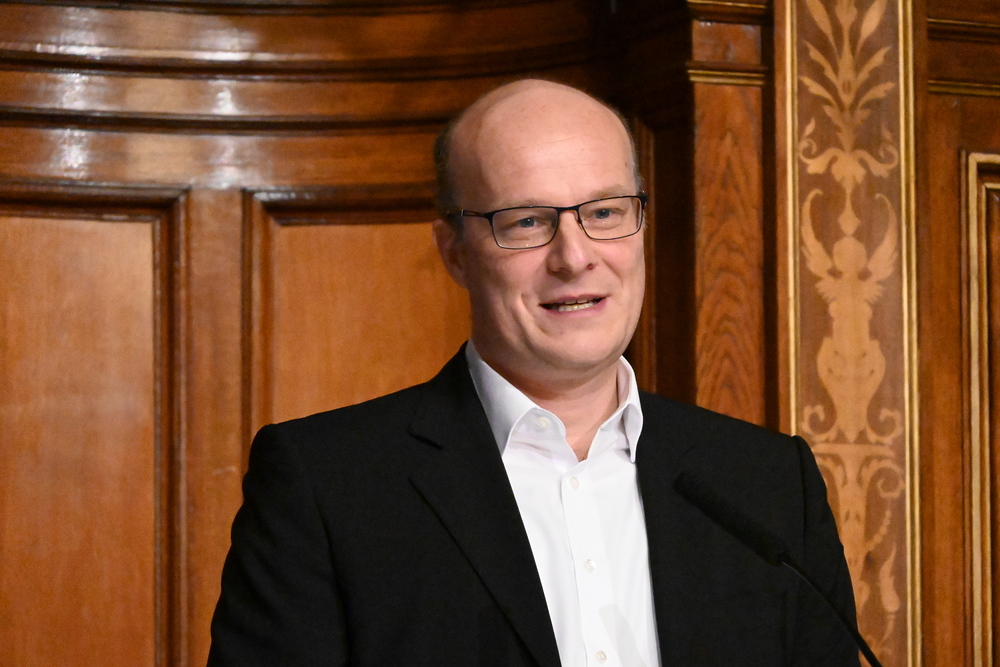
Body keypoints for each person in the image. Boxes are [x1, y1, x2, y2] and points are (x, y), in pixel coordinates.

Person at [208, 79, 860, 666]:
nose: (574, 257)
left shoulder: (769, 485)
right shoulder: (327, 486)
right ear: (455, 253)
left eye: (604, 212)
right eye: (526, 221)